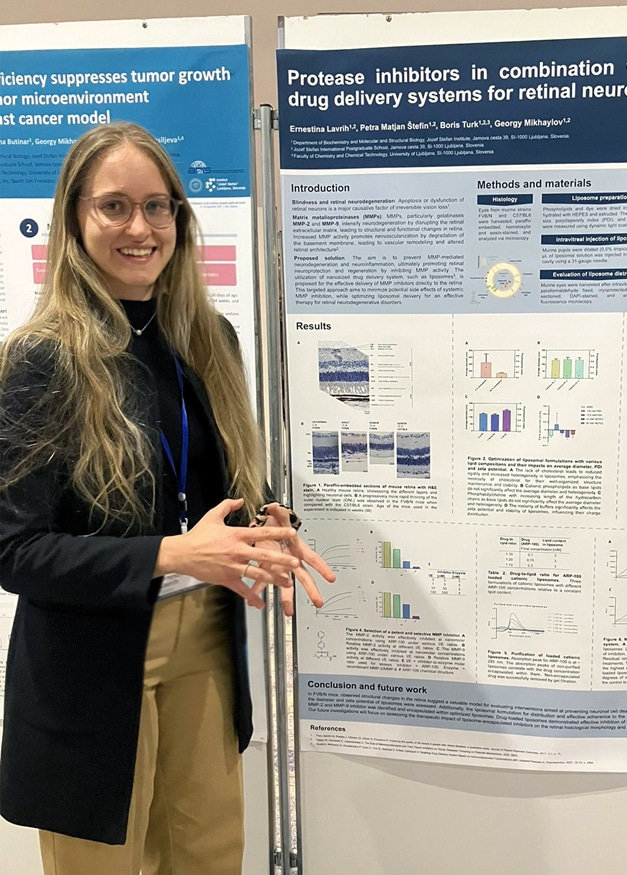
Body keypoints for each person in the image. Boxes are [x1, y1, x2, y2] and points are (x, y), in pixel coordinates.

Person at [0, 121, 334, 875]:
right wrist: (175, 553)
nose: (140, 227)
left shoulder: (206, 338)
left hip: (205, 638)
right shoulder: (43, 358)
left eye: (158, 207)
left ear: (180, 221)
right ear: (74, 220)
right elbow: (16, 550)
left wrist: (262, 522)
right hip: (94, 654)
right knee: (103, 863)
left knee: (208, 854)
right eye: (113, 206)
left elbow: (211, 481)